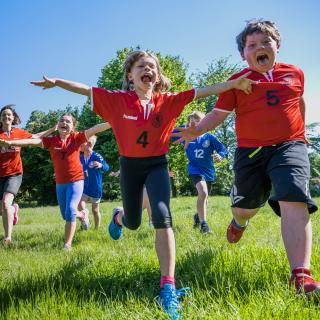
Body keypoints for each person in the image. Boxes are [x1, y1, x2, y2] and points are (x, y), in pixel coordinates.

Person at [30, 50, 254, 319]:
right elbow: (85, 90)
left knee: (162, 217)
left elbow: (204, 90)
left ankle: (168, 287)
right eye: (141, 66)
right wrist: (57, 82)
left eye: (152, 67)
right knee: (134, 222)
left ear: (157, 76)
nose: (148, 69)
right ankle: (119, 217)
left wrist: (234, 84)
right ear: (130, 75)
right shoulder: (117, 100)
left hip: (157, 165)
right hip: (130, 168)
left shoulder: (168, 101)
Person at [172, 20, 319, 295]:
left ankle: (301, 277)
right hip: (250, 152)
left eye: (266, 42)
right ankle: (239, 221)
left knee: (294, 197)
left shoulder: (295, 73)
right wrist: (197, 130)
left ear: (277, 46)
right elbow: (218, 115)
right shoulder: (236, 83)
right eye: (252, 45)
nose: (260, 48)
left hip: (290, 146)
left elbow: (298, 100)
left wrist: (301, 127)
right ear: (243, 54)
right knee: (246, 207)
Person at [0, 113, 110, 250]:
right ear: (58, 125)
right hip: (60, 183)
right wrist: (11, 143)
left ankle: (67, 245)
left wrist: (112, 122)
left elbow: (95, 129)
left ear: (73, 126)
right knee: (65, 215)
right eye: (62, 120)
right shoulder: (52, 141)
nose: (64, 123)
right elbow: (31, 141)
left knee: (70, 210)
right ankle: (83, 214)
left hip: (76, 180)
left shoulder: (77, 138)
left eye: (68, 121)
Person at [0, 104, 57, 245]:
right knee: (3, 208)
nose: (6, 117)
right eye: (4, 115)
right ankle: (13, 210)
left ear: (13, 118)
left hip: (14, 173)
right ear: (0, 118)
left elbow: (35, 137)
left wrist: (53, 129)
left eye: (9, 115)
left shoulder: (18, 133)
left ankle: (8, 238)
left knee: (6, 204)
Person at [184, 111, 227, 234]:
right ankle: (204, 226)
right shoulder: (186, 135)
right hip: (195, 170)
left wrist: (220, 155)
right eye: (192, 123)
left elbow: (222, 149)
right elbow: (168, 133)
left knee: (205, 197)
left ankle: (198, 217)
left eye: (199, 123)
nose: (196, 126)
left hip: (208, 171)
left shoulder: (210, 137)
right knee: (202, 192)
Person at [78, 135, 109, 229]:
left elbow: (107, 167)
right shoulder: (80, 157)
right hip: (84, 187)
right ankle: (85, 219)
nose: (79, 144)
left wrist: (101, 165)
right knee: (80, 204)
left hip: (96, 188)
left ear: (89, 144)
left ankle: (96, 229)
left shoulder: (97, 156)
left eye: (81, 142)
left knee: (95, 210)